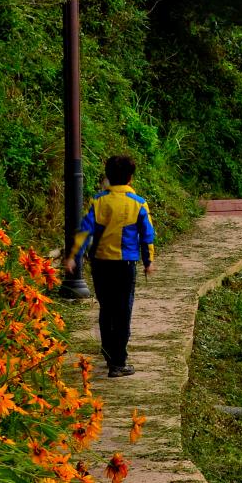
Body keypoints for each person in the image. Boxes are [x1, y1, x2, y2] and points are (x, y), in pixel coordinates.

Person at [65, 154, 155, 378]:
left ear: (108, 177)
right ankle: (118, 362)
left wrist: (73, 255)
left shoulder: (99, 201)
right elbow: (147, 235)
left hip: (101, 264)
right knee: (123, 311)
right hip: (125, 265)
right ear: (130, 178)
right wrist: (148, 261)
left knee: (106, 309)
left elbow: (85, 230)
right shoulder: (139, 204)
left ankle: (108, 354)